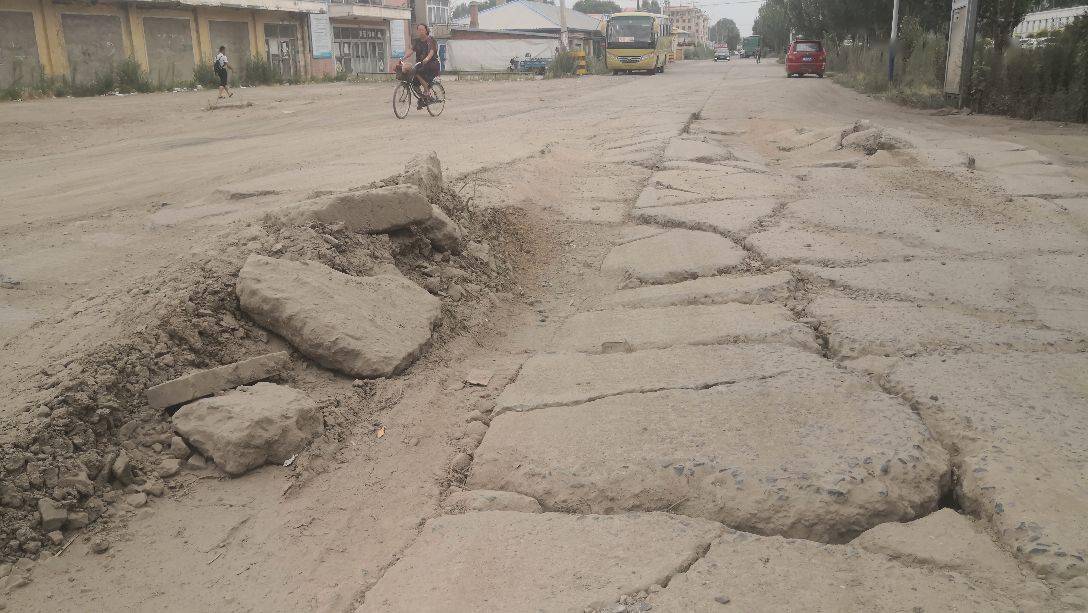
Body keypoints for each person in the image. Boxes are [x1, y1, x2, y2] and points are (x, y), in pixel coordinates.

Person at [401, 24, 440, 109]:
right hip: (420, 65)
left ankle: (427, 93)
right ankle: (423, 98)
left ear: (426, 30)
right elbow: (411, 50)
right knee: (413, 83)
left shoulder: (430, 40)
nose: (420, 31)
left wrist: (427, 59)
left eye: (422, 29)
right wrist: (403, 58)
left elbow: (432, 51)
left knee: (417, 72)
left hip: (431, 65)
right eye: (418, 30)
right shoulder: (417, 41)